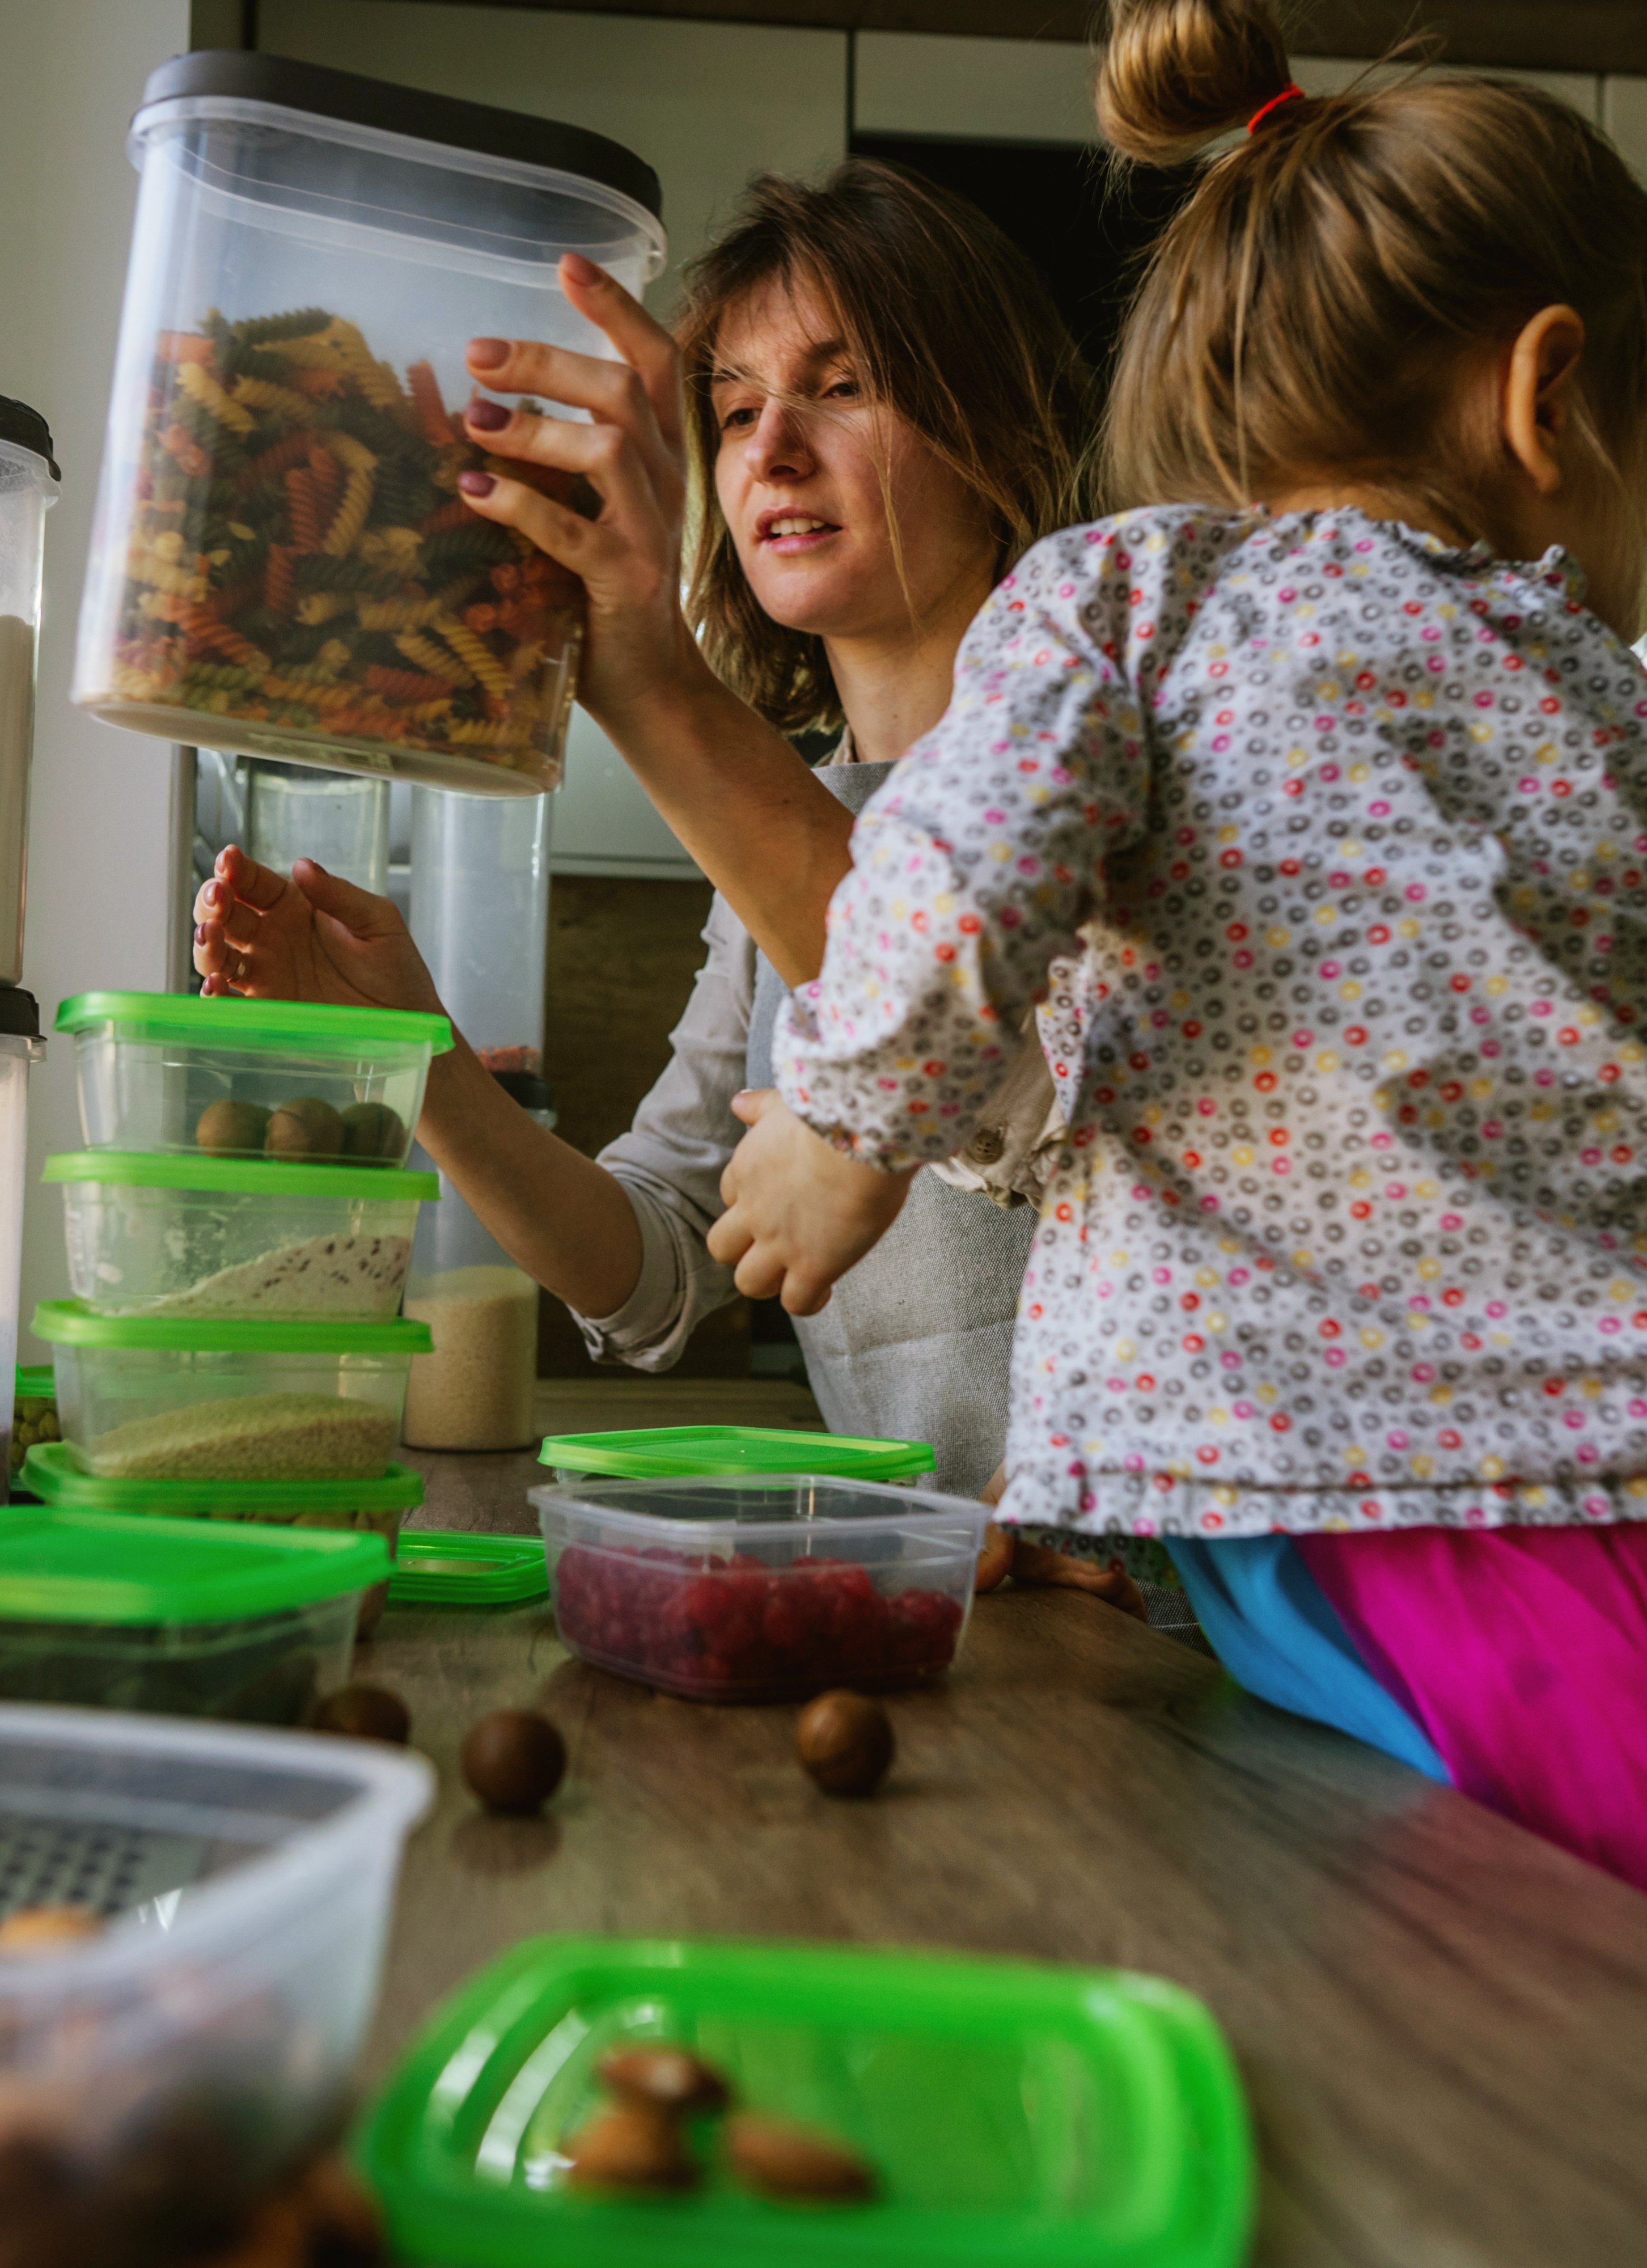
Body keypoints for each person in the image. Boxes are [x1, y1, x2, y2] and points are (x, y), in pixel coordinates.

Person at [706, 0, 1647, 2162]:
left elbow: (968, 865)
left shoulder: (1136, 595)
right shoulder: (1606, 698)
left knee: (1502, 2069)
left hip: (1403, 1504)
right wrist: (908, 1107)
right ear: (1549, 396)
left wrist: (840, 1115)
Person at [198, 162, 1151, 1610]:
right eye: (737, 410)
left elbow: (965, 1052)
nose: (773, 451)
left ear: (999, 431)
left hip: (1158, 1603)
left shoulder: (1108, 781)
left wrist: (639, 663)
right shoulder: (785, 824)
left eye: (844, 387)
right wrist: (422, 1064)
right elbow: (650, 1266)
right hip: (937, 1596)